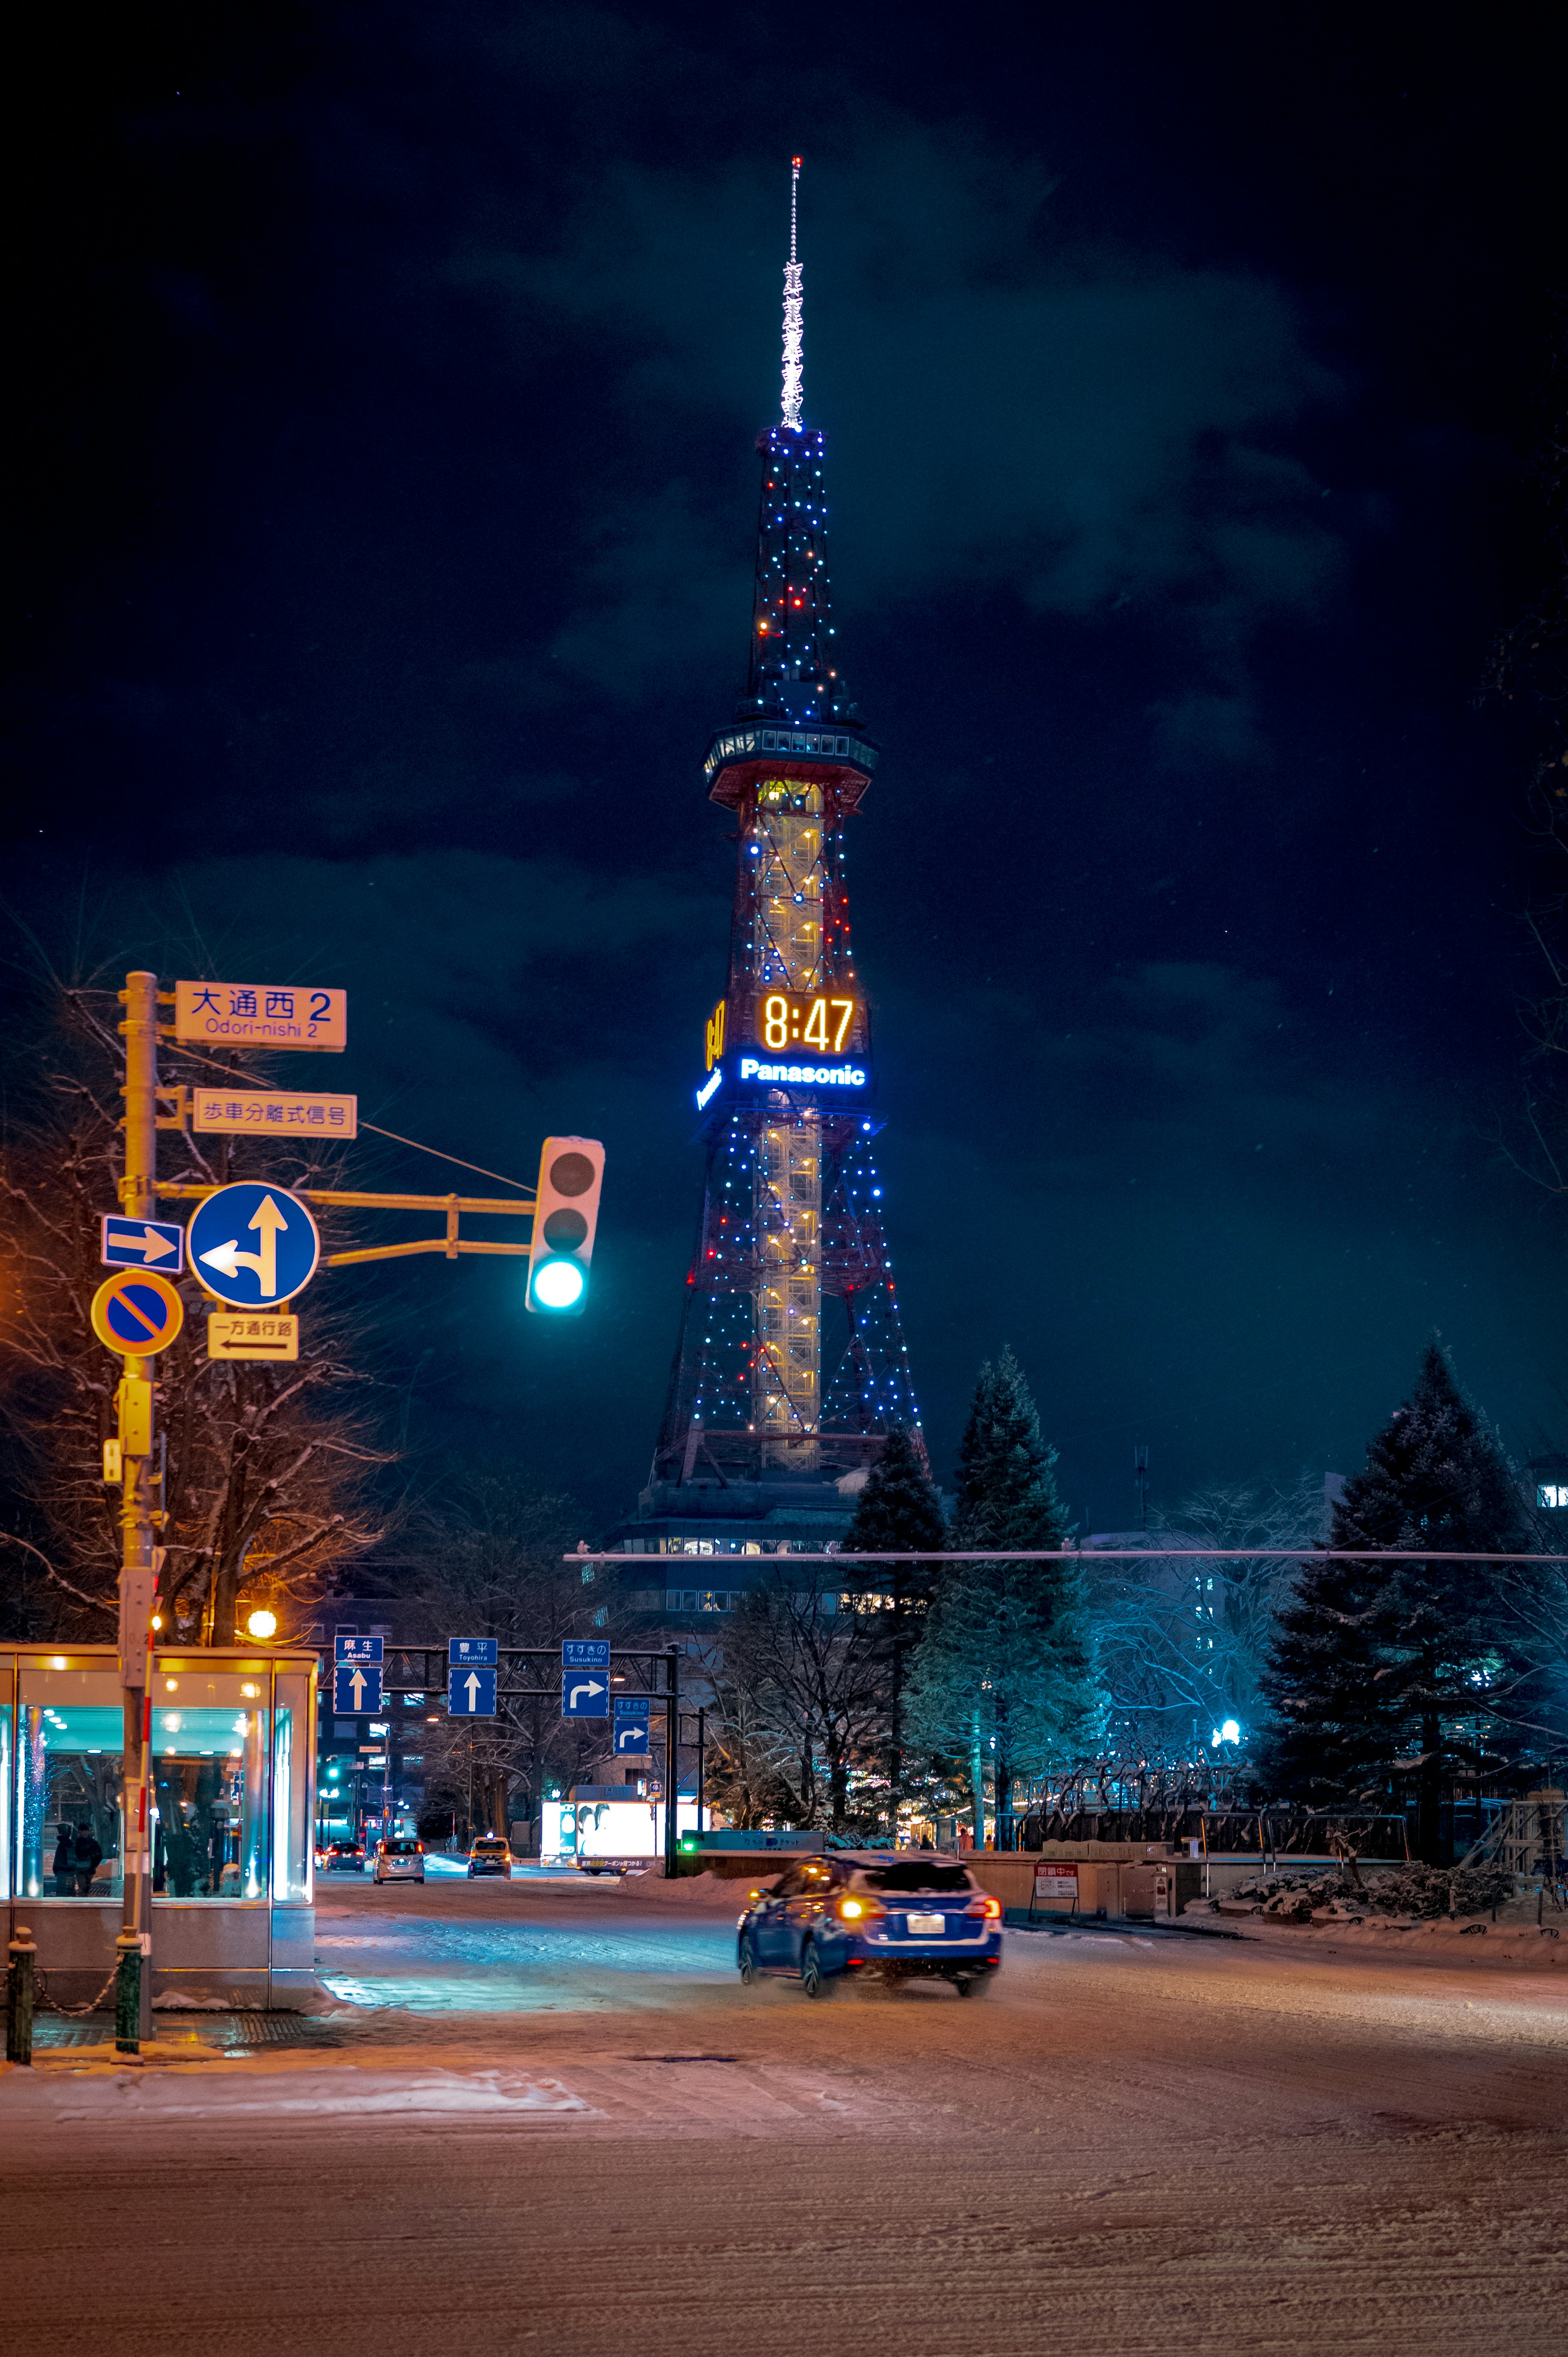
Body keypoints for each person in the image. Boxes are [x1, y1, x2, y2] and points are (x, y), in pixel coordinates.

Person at [73, 1822, 103, 1897]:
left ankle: (83, 1901)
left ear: (89, 1832)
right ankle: (83, 1901)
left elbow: (99, 1856)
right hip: (81, 1869)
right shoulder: (77, 1843)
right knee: (83, 1887)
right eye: (83, 1831)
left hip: (89, 1869)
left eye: (86, 1831)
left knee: (87, 1887)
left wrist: (94, 1865)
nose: (84, 1833)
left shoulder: (93, 1843)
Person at [53, 1821, 75, 1897]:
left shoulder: (63, 1844)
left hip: (63, 1871)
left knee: (62, 1893)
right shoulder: (68, 1844)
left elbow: (60, 1859)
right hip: (67, 1871)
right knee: (69, 1893)